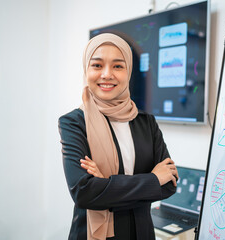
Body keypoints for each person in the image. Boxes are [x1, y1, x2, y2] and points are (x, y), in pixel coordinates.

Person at [58, 33, 178, 240]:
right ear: (86, 69)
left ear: (129, 71)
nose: (106, 74)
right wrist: (152, 180)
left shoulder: (146, 122)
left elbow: (169, 184)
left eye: (117, 66)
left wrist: (105, 184)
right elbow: (84, 193)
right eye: (97, 65)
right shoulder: (74, 123)